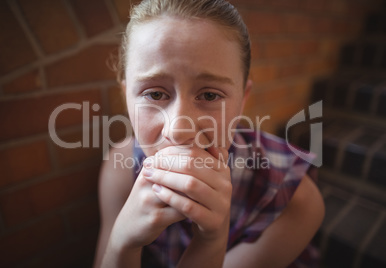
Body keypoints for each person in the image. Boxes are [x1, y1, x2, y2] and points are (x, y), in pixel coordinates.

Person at [93, 0, 325, 267]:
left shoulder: (293, 197)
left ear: (241, 100)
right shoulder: (120, 169)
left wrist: (211, 241)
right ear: (126, 97)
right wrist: (121, 243)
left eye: (210, 94)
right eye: (155, 94)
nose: (179, 130)